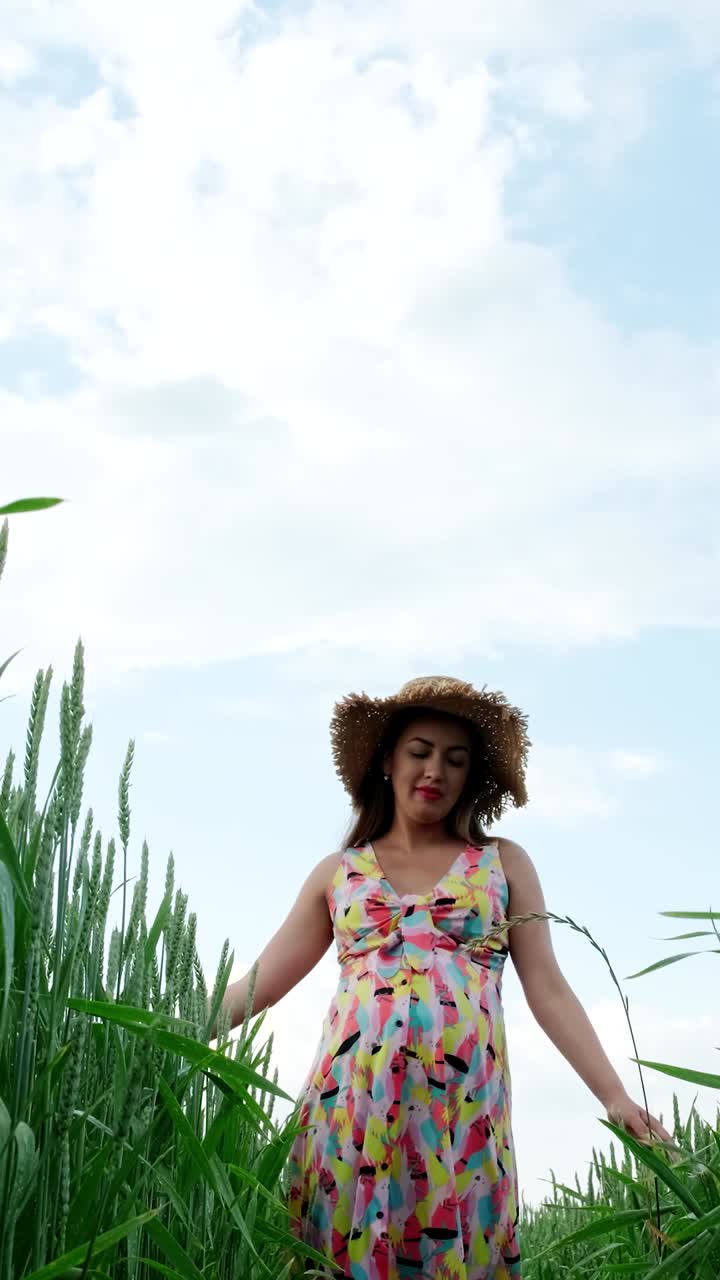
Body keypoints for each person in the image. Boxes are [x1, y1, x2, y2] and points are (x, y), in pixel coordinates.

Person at [218, 676, 672, 1279]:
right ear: (387, 760)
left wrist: (615, 1097)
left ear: (470, 777)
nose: (435, 770)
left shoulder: (502, 863)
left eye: (455, 760)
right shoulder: (340, 873)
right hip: (350, 1117)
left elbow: (550, 988)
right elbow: (255, 987)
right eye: (420, 751)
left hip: (463, 1123)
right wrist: (147, 1031)